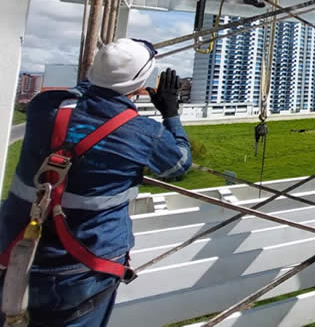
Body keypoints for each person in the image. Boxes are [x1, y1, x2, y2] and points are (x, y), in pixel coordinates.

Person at [0, 39, 192, 327]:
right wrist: (171, 114)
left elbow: (81, 98)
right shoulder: (140, 132)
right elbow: (178, 164)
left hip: (16, 252)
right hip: (84, 268)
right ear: (142, 80)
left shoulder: (44, 107)